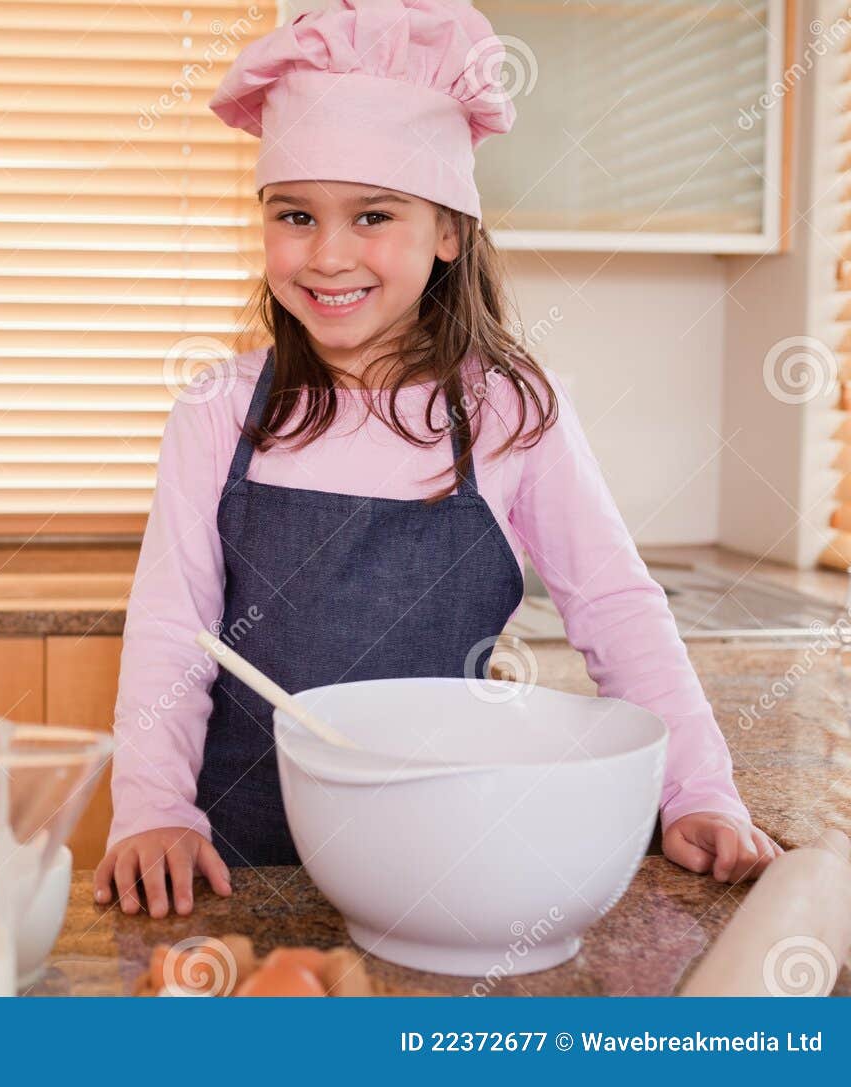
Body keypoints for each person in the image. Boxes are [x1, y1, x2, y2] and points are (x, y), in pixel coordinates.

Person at [93, 0, 782, 919]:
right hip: (233, 856)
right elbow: (174, 629)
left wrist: (698, 789)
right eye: (295, 214)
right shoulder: (218, 409)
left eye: (372, 214)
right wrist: (151, 807)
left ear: (449, 233)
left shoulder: (510, 410)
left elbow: (617, 607)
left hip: (438, 851)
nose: (328, 254)